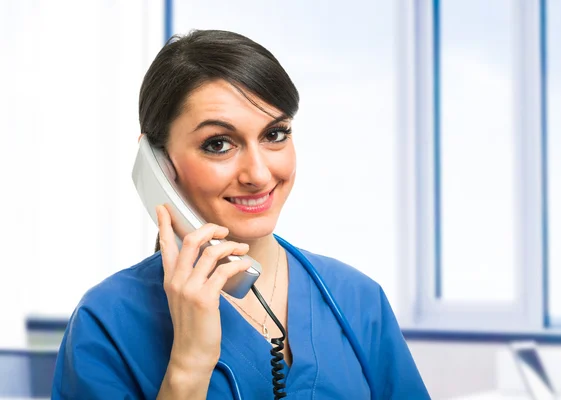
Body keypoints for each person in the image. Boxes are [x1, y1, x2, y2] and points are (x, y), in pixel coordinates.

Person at [51, 29, 430, 399]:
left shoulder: (357, 299)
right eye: (219, 144)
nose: (260, 174)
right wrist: (189, 366)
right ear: (158, 166)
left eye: (275, 134)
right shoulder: (106, 323)